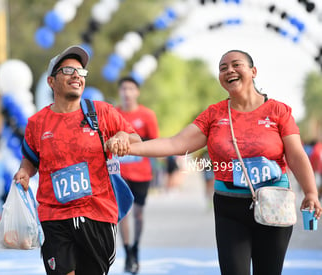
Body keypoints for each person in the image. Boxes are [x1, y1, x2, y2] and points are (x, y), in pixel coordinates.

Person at [107, 49, 322, 275]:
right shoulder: (214, 114)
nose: (229, 70)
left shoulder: (278, 111)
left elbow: (296, 154)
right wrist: (126, 147)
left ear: (253, 71)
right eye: (222, 68)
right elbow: (175, 144)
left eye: (235, 64)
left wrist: (310, 192)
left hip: (273, 203)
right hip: (229, 206)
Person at [12, 45, 141, 275]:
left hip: (97, 214)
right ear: (51, 82)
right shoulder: (36, 123)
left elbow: (134, 137)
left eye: (81, 72)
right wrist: (24, 172)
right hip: (54, 215)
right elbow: (30, 160)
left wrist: (121, 136)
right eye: (68, 71)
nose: (76, 76)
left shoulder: (101, 112)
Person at [115, 76, 159, 274]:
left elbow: (155, 143)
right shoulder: (113, 113)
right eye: (123, 89)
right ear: (120, 92)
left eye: (131, 89)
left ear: (137, 92)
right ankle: (127, 253)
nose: (127, 92)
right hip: (119, 173)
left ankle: (136, 248)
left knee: (139, 214)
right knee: (123, 213)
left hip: (142, 173)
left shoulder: (147, 115)